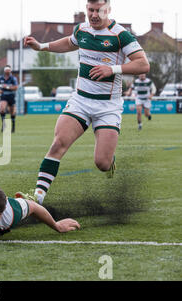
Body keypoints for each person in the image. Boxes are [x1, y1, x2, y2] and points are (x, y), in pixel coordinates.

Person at [22, 0, 150, 205]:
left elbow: (143, 64)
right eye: (90, 10)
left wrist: (113, 69)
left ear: (108, 10)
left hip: (108, 106)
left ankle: (110, 162)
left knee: (102, 163)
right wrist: (41, 46)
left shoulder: (120, 35)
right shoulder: (81, 29)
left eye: (99, 10)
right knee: (57, 144)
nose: (94, 14)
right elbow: (69, 42)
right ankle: (37, 197)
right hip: (80, 100)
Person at [0, 65, 18, 133]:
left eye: (8, 71)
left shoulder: (13, 78)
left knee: (12, 112)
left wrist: (7, 87)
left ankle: (13, 125)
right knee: (2, 108)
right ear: (4, 71)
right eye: (6, 71)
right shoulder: (0, 78)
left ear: (10, 71)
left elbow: (15, 87)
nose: (7, 72)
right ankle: (3, 125)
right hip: (3, 96)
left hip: (11, 95)